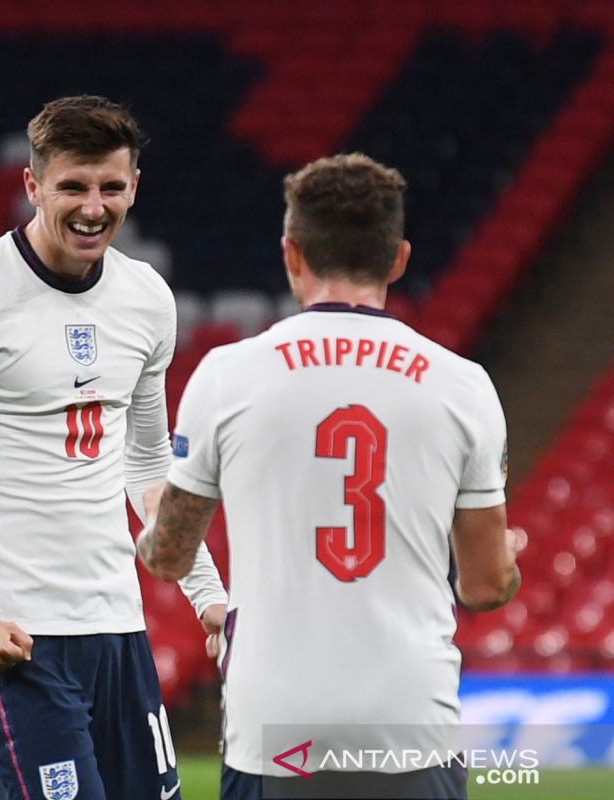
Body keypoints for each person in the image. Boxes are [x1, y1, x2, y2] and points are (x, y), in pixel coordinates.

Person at [137, 153, 522, 800]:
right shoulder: (464, 386)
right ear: (397, 259)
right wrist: (505, 559)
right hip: (412, 724)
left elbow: (170, 556)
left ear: (292, 255)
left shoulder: (227, 376)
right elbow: (485, 587)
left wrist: (156, 520)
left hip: (276, 730)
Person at [0, 95, 228, 800]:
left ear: (134, 186)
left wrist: (209, 595)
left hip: (118, 626)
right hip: (17, 634)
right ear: (33, 186)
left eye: (111, 187)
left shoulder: (147, 300)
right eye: (73, 186)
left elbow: (149, 465)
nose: (93, 207)